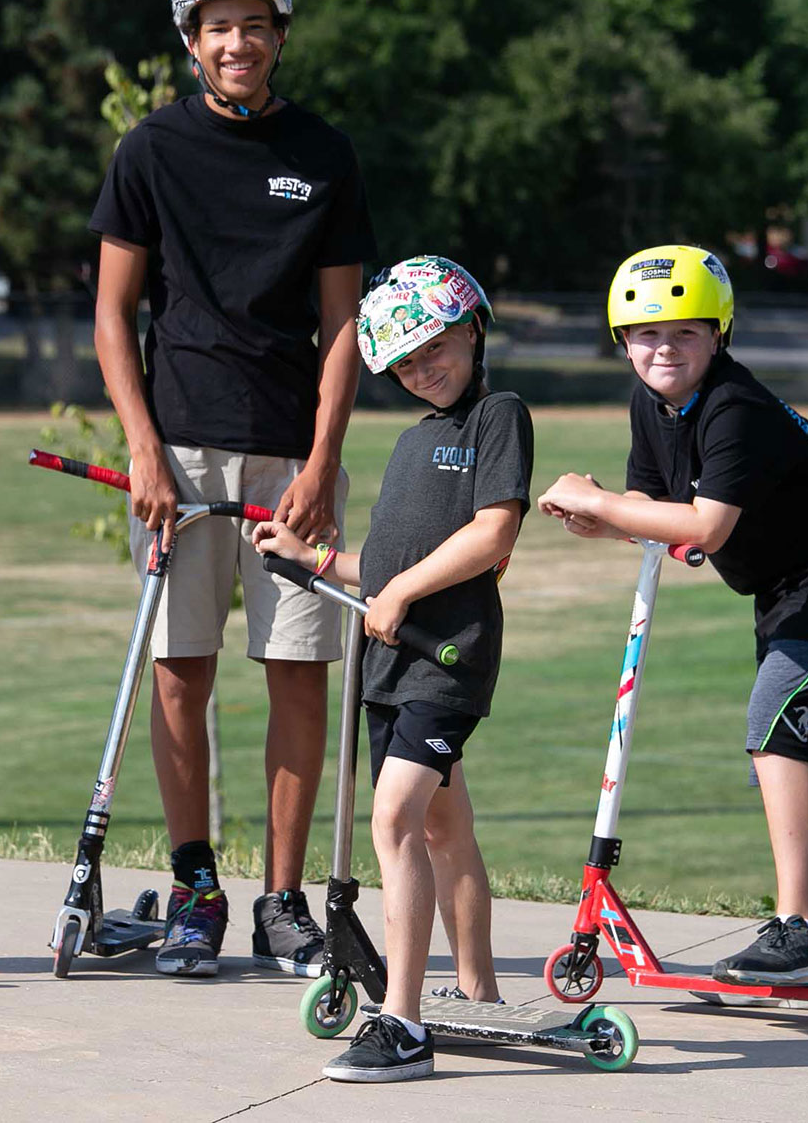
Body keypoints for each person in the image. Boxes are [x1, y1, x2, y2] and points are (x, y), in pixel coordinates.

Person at [91, 0, 376, 979]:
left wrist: (319, 457)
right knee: (180, 675)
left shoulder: (327, 153)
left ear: (279, 35)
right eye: (216, 26)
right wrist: (142, 450)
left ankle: (282, 901)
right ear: (191, 41)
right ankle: (194, 888)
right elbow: (114, 316)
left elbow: (343, 322)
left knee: (297, 672)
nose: (236, 42)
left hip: (290, 457)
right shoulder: (148, 152)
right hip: (177, 452)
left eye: (254, 25)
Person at [534, 244, 808, 987]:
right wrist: (607, 518)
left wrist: (598, 499)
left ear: (719, 335)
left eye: (685, 332)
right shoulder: (652, 404)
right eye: (645, 333)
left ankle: (798, 931)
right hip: (786, 581)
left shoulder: (735, 406)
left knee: (774, 725)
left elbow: (702, 528)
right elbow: (662, 523)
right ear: (623, 341)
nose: (663, 348)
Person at [257, 256, 533, 1082]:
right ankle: (479, 995)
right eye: (406, 362)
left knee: (395, 821)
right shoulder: (415, 442)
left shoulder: (498, 416)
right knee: (446, 829)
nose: (425, 369)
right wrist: (313, 557)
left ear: (473, 327)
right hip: (393, 664)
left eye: (436, 346)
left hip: (447, 661)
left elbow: (494, 534)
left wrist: (404, 589)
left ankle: (404, 1022)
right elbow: (383, 568)